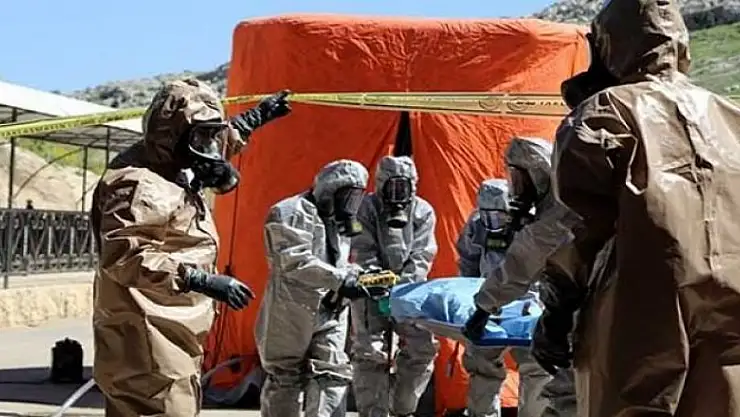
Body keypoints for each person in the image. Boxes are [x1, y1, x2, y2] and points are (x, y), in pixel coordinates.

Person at [534, 0, 740, 415]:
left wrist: (556, 307)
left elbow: (577, 224)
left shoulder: (605, 112)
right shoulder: (730, 116)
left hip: (639, 304)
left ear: (610, 44)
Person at [90, 78, 291, 417]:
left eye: (213, 135)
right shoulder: (139, 184)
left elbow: (206, 145)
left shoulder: (172, 164)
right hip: (146, 329)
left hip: (170, 324)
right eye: (202, 136)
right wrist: (198, 279)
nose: (211, 147)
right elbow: (126, 256)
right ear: (172, 134)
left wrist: (254, 119)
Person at [256, 159, 390, 417]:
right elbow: (294, 261)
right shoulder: (289, 211)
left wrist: (362, 277)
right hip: (290, 310)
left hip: (331, 310)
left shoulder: (339, 223)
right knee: (285, 376)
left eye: (357, 197)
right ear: (330, 189)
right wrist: (343, 281)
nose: (351, 204)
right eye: (348, 196)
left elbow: (337, 262)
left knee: (333, 373)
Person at [463, 136, 578, 417]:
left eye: (519, 178)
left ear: (538, 173)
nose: (516, 187)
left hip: (579, 311)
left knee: (565, 390)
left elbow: (520, 265)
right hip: (572, 309)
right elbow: (469, 257)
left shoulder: (556, 215)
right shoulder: (559, 203)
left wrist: (482, 308)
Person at [350, 155, 439, 417]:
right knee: (370, 352)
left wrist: (403, 289)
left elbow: (422, 254)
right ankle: (373, 412)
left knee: (422, 348)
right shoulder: (366, 208)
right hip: (370, 289)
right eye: (392, 186)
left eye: (404, 187)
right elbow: (362, 248)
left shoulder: (423, 211)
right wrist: (378, 283)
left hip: (410, 292)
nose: (397, 194)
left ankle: (403, 408)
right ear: (381, 184)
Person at [456, 178, 551, 417]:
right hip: (488, 307)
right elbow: (468, 260)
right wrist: (472, 296)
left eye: (498, 217)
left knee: (536, 367)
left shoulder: (532, 226)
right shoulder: (476, 226)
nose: (492, 223)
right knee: (482, 366)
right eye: (487, 217)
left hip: (529, 305)